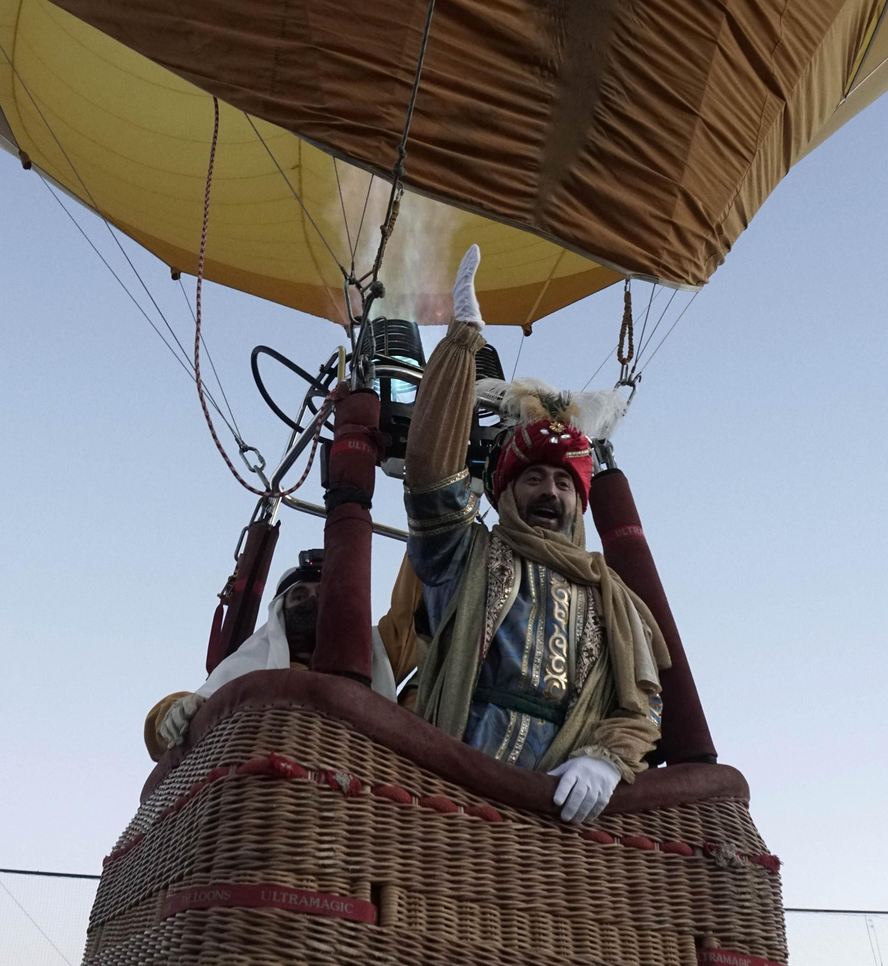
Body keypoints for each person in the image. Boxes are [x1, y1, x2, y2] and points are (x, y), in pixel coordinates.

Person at [401, 245, 671, 823]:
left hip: (563, 810)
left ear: (580, 501)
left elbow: (644, 704)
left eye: (564, 483)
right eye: (534, 479)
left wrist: (608, 758)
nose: (550, 492)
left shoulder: (610, 596)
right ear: (504, 493)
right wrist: (460, 348)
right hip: (457, 788)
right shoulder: (465, 554)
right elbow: (428, 478)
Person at [145, 550, 397, 760]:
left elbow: (411, 613)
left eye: (321, 596)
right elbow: (174, 726)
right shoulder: (253, 664)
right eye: (300, 596)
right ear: (280, 614)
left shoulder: (375, 650)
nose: (311, 603)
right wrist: (174, 709)